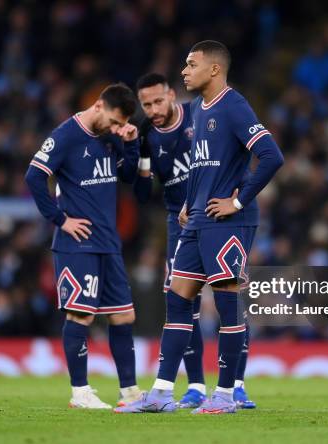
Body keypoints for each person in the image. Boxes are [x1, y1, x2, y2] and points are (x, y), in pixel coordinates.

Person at [116, 41, 284, 414]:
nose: (184, 70)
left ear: (213, 69)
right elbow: (201, 165)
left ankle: (225, 394)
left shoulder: (233, 105)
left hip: (228, 220)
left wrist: (238, 201)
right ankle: (161, 392)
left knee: (228, 305)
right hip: (197, 219)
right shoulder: (197, 111)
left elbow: (272, 155)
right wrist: (191, 202)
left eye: (191, 64)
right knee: (178, 300)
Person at [133, 72, 256, 409]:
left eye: (158, 101)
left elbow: (238, 154)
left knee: (229, 296)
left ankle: (236, 385)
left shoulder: (200, 114)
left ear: (172, 95)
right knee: (181, 302)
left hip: (216, 217)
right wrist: (141, 155)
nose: (154, 109)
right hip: (179, 220)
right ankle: (196, 387)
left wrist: (239, 195)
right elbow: (143, 194)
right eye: (146, 105)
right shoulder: (147, 136)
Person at [25, 83, 144, 409]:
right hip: (77, 244)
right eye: (116, 122)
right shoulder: (65, 135)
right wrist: (60, 219)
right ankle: (80, 392)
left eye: (122, 125)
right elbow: (34, 176)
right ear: (99, 107)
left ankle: (130, 393)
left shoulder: (112, 137)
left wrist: (131, 145)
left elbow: (129, 177)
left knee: (123, 317)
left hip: (108, 242)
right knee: (80, 316)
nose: (118, 129)